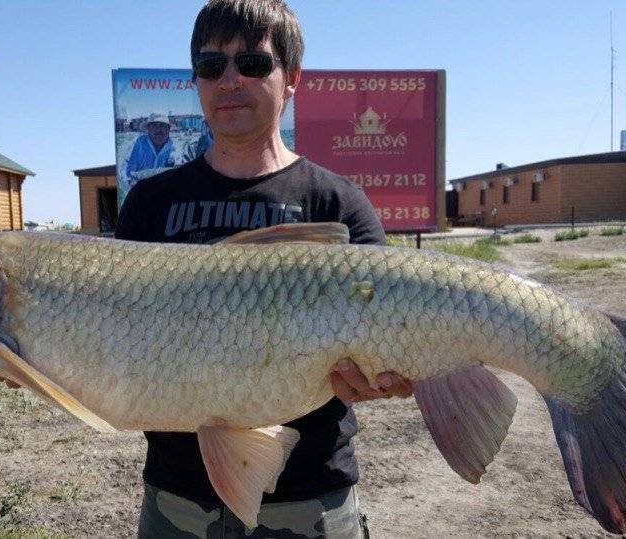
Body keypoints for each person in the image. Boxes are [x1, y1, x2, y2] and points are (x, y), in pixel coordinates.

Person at [114, 1, 413, 536]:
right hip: (177, 501)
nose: (229, 80)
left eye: (252, 63)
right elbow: (107, 331)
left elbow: (394, 332)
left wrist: (392, 374)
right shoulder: (149, 203)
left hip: (310, 500)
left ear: (292, 78)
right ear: (197, 81)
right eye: (212, 65)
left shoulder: (337, 202)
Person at [124, 112, 177, 190]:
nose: (158, 129)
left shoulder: (176, 150)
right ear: (148, 129)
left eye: (162, 125)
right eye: (154, 125)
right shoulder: (138, 143)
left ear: (168, 129)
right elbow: (127, 170)